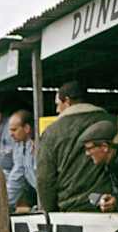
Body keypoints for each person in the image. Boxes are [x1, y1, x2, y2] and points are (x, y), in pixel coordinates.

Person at [36, 81, 112, 212]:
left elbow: (45, 179)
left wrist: (50, 212)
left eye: (58, 104)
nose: (57, 110)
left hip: (71, 208)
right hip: (110, 205)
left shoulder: (52, 132)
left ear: (67, 101)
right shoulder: (112, 122)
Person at [6, 109, 38, 211]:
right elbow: (16, 177)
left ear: (27, 128)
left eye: (14, 130)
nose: (11, 134)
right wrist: (3, 204)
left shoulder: (39, 145)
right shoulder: (19, 147)